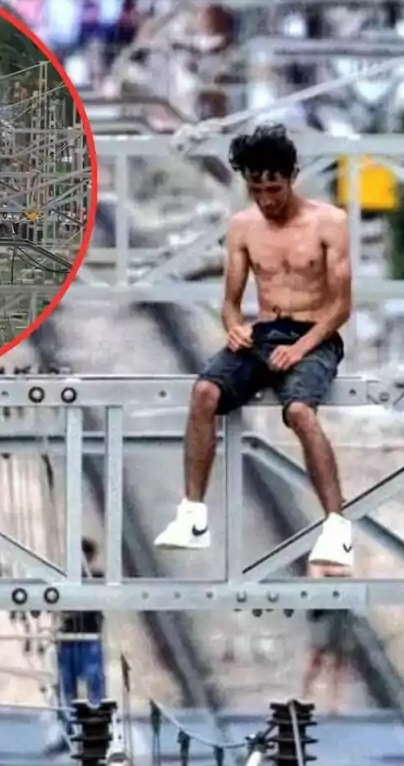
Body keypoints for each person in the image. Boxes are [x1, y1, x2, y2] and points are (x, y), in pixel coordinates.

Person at [152, 124, 354, 568]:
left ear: (292, 176)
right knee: (204, 392)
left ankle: (337, 527)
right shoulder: (243, 226)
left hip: (314, 336)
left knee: (299, 412)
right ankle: (192, 515)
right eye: (256, 188)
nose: (266, 198)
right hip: (263, 333)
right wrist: (233, 327)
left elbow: (341, 306)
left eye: (274, 188)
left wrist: (301, 350)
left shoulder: (329, 223)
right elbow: (230, 303)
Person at [46, 539, 106, 757]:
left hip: (89, 640)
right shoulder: (63, 579)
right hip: (68, 641)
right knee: (66, 691)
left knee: (94, 688)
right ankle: (67, 733)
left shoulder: (97, 579)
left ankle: (96, 734)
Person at [301, 563, 353, 712]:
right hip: (322, 610)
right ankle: (306, 696)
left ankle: (335, 701)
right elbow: (315, 575)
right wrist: (335, 574)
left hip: (340, 608)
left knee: (340, 656)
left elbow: (349, 573)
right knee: (317, 653)